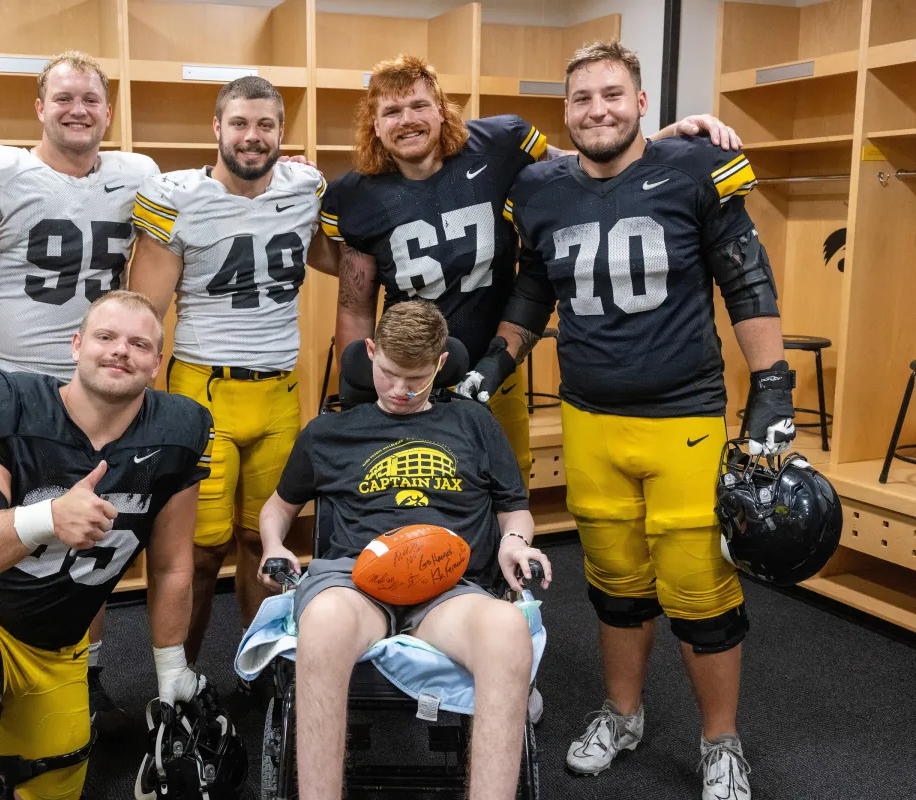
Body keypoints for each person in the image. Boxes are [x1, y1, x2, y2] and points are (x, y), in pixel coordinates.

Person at [502, 41, 795, 800]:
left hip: (684, 418)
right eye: (581, 99)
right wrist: (495, 359)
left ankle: (720, 740)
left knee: (702, 591)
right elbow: (534, 289)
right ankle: (622, 713)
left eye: (612, 94)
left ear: (640, 103)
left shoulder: (693, 168)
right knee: (615, 584)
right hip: (590, 418)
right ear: (564, 111)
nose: (597, 109)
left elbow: (746, 279)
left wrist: (773, 381)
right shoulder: (539, 188)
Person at [311, 54, 740, 490]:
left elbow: (581, 164)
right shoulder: (357, 197)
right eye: (392, 112)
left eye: (419, 105)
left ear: (441, 108)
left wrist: (663, 137)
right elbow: (355, 307)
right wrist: (359, 396)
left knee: (505, 487)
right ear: (375, 124)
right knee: (420, 494)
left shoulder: (501, 144)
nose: (408, 120)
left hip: (493, 369)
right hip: (409, 374)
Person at [0, 291, 212, 800]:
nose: (120, 350)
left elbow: (171, 566)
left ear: (157, 364)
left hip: (58, 647)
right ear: (76, 345)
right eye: (106, 337)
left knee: (48, 788)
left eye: (139, 343)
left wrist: (172, 671)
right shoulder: (10, 404)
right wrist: (45, 518)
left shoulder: (179, 430)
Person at [0, 50, 156, 730]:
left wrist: (292, 173)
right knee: (3, 536)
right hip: (13, 389)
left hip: (97, 391)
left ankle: (81, 675)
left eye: (90, 98)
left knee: (92, 539)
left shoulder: (134, 176)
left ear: (108, 111)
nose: (77, 109)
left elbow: (206, 194)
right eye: (63, 98)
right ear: (39, 107)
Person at [257, 300, 553, 800]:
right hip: (353, 581)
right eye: (389, 373)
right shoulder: (329, 431)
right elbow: (276, 508)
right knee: (323, 622)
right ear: (370, 352)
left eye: (415, 378)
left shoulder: (475, 424)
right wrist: (273, 545)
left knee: (507, 630)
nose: (400, 390)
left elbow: (513, 508)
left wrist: (515, 543)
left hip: (448, 585)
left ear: (440, 364)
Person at [129, 77, 326, 664]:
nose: (252, 136)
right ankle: (179, 677)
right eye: (239, 123)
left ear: (281, 133)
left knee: (264, 540)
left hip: (279, 390)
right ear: (216, 128)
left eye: (265, 125)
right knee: (202, 547)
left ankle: (258, 663)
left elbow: (341, 257)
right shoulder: (177, 196)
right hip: (202, 389)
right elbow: (146, 311)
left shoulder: (305, 187)